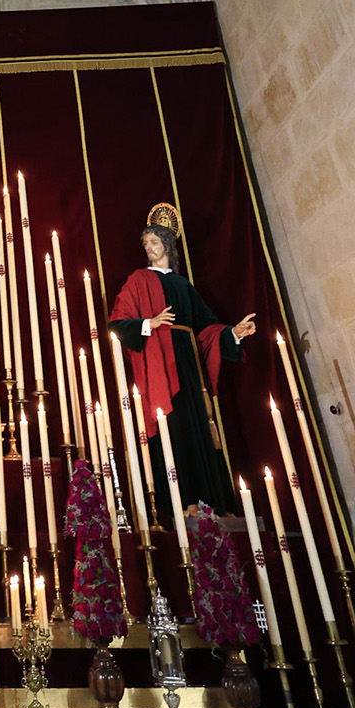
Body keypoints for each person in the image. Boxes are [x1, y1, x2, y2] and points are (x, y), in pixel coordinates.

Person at [109, 206, 255, 517]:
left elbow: (206, 328)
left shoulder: (184, 285)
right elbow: (118, 322)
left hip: (189, 366)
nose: (149, 248)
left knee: (199, 426)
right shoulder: (138, 279)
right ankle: (182, 501)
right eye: (145, 243)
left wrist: (234, 333)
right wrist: (149, 323)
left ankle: (212, 503)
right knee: (173, 426)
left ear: (167, 245)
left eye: (154, 242)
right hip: (161, 365)